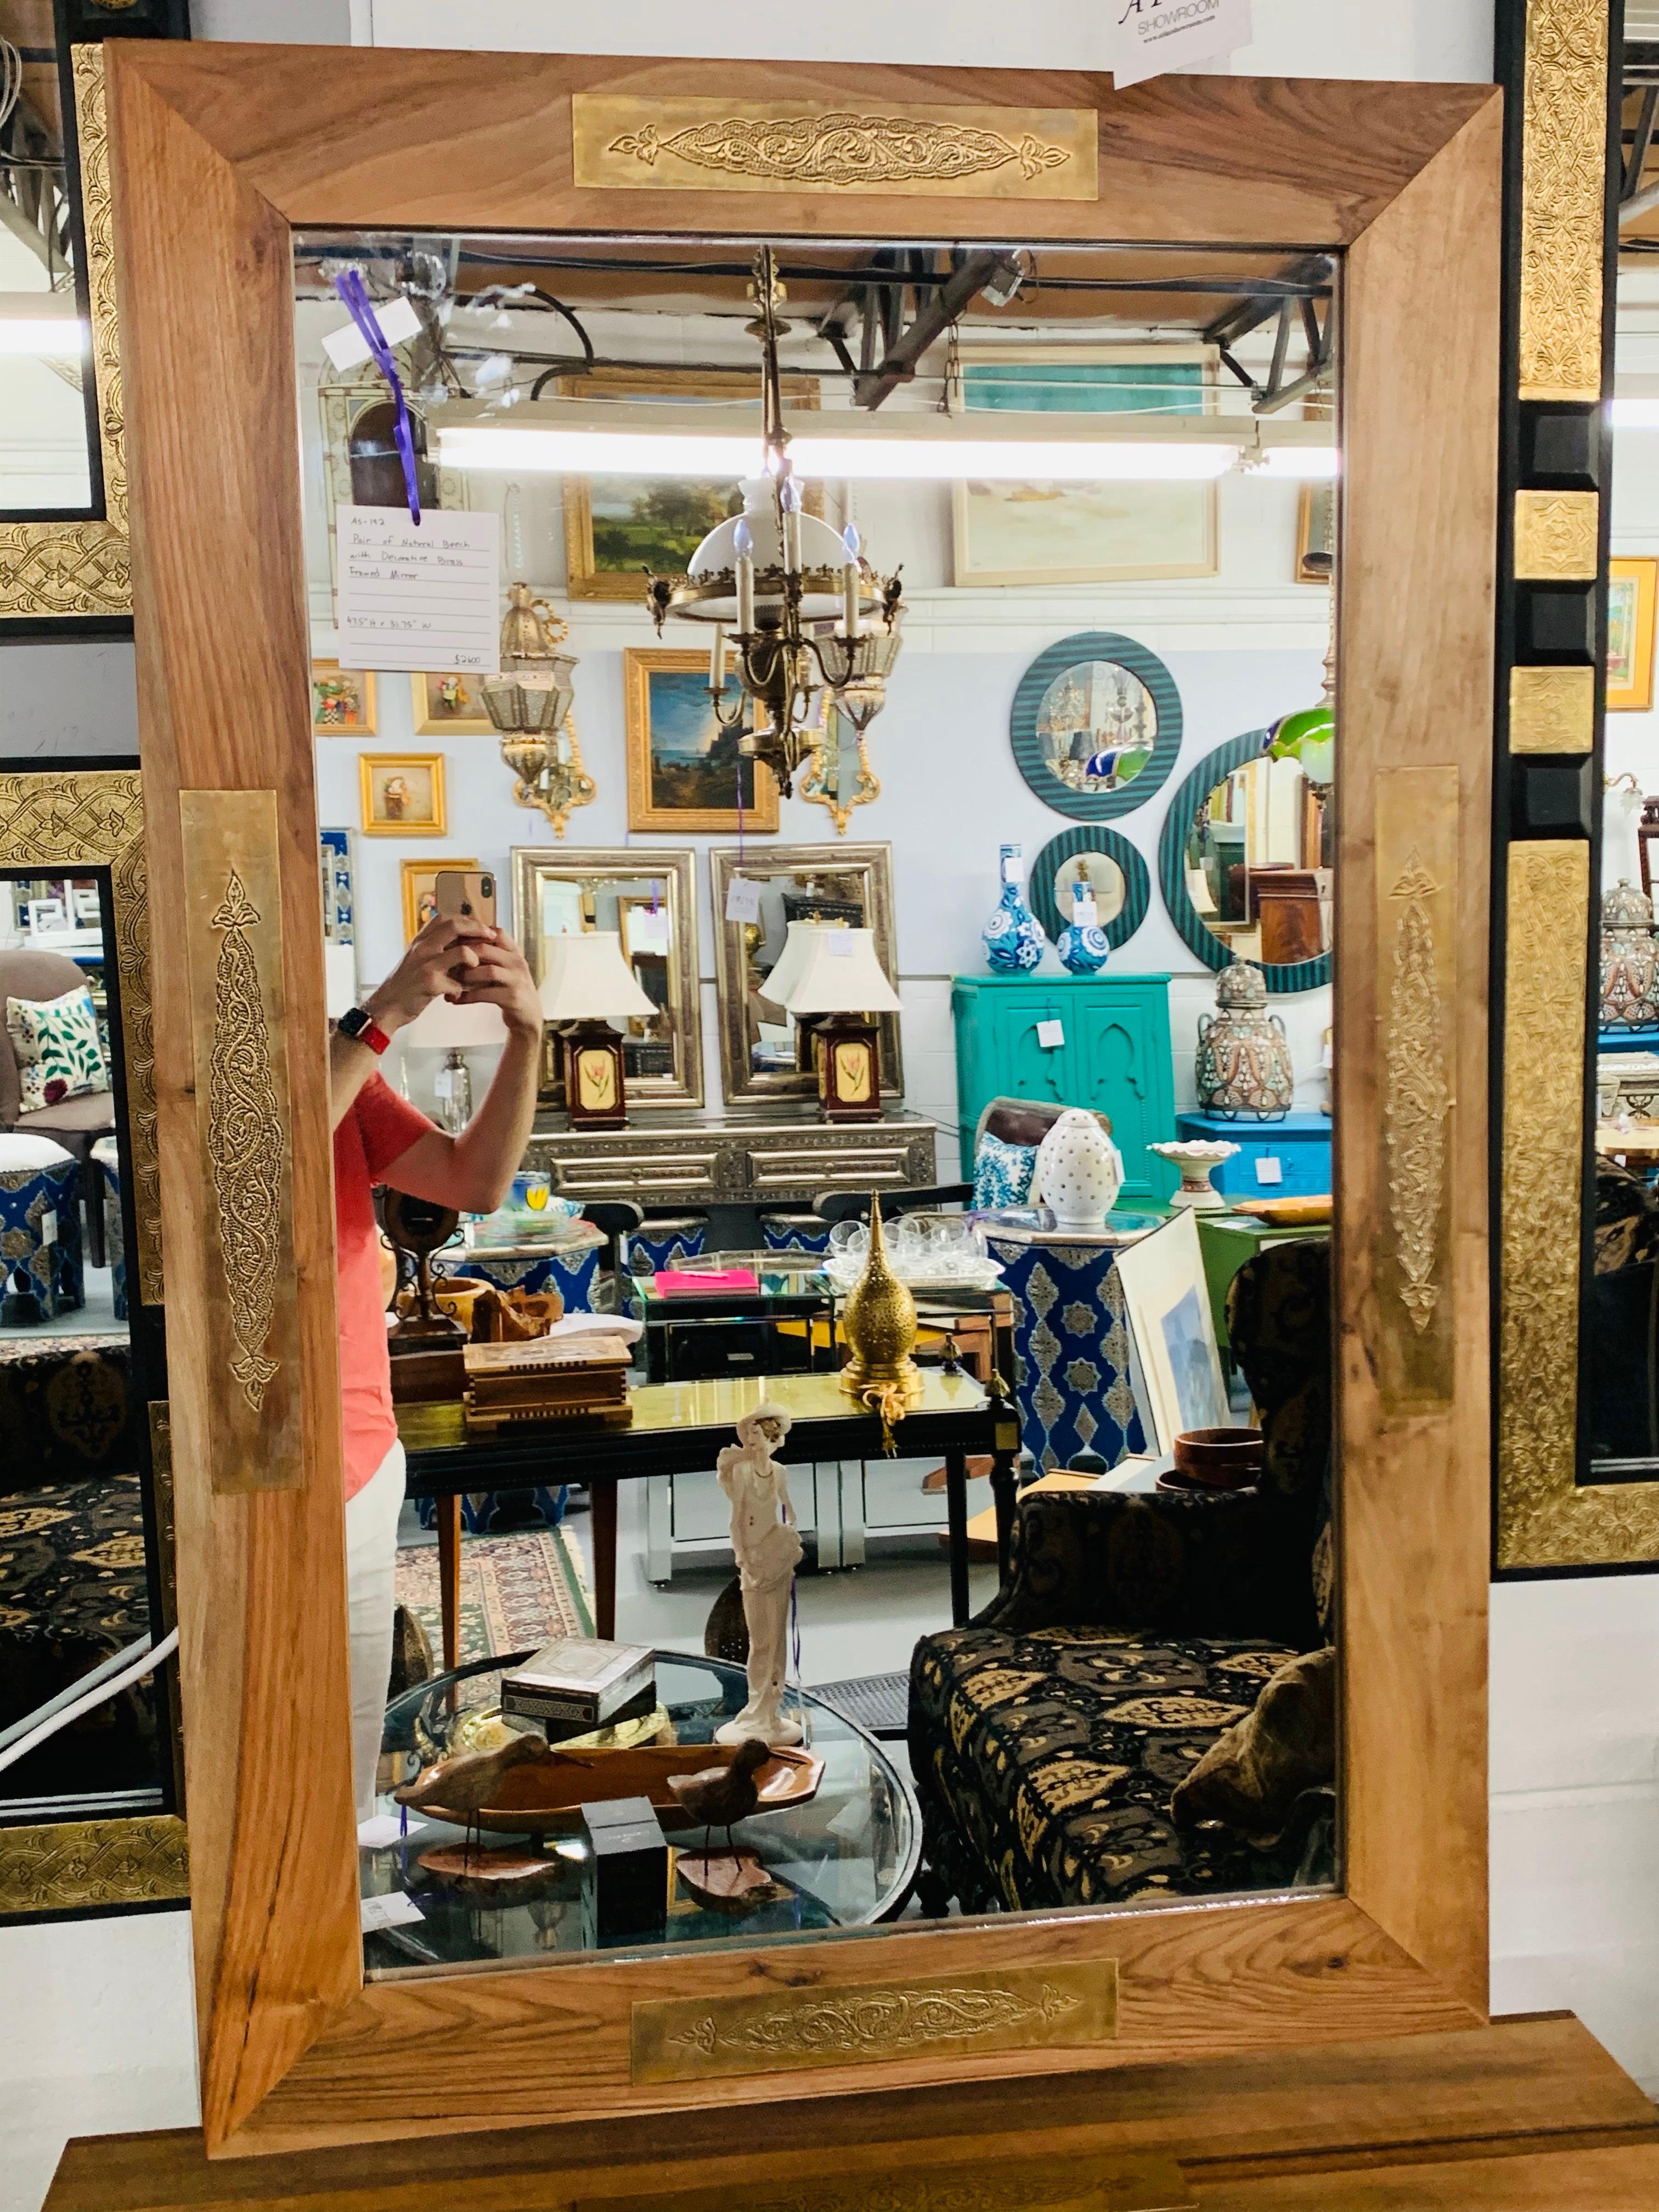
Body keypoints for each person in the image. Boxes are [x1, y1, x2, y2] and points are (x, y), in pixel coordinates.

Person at [330, 911, 544, 1821]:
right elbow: (256, 1165)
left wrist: (529, 1036)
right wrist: (376, 1020)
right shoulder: (197, 1060)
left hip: (365, 1451)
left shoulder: (325, 1056)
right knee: (277, 1767)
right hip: (265, 1457)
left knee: (346, 1772)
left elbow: (474, 1180)